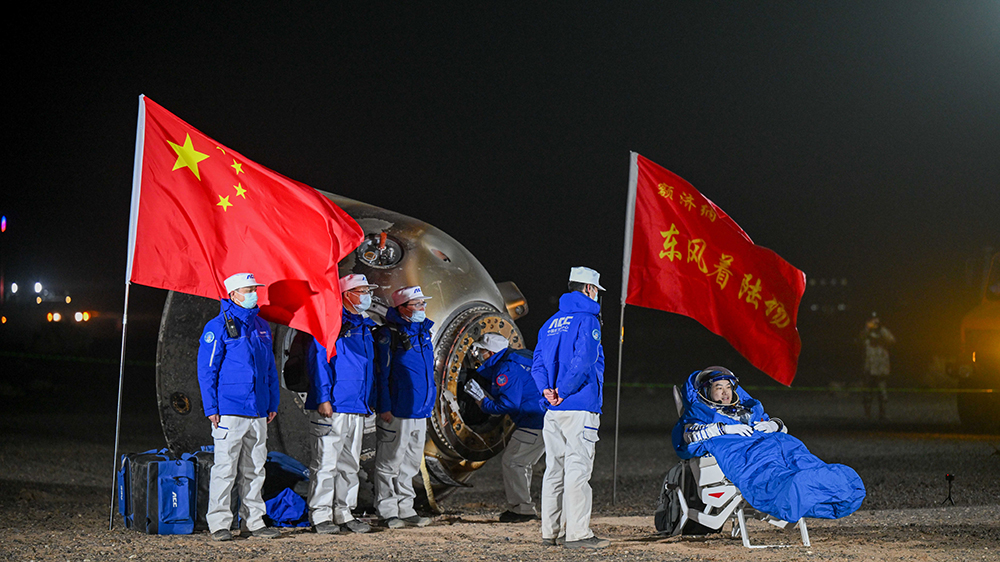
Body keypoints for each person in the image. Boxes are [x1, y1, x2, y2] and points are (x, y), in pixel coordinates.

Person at [672, 366, 865, 522]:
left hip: (777, 446)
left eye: (729, 387)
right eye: (719, 387)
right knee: (776, 477)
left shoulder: (746, 410)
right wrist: (724, 429)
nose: (725, 393)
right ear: (707, 390)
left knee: (798, 457)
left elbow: (779, 428)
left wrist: (775, 424)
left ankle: (829, 483)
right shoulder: (702, 416)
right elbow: (688, 439)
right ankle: (797, 487)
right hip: (746, 455)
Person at [197, 272, 281, 541]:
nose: (254, 294)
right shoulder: (217, 326)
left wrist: (272, 402)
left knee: (255, 468)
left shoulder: (262, 326)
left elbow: (269, 369)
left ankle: (253, 521)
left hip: (258, 410)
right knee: (225, 468)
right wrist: (211, 407)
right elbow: (207, 370)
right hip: (230, 411)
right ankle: (220, 523)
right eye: (249, 290)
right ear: (233, 295)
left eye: (255, 289)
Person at [530, 266, 608, 549]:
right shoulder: (588, 320)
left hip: (553, 409)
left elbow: (537, 364)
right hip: (578, 404)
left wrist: (547, 392)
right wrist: (563, 391)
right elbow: (584, 360)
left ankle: (549, 532)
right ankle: (577, 534)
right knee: (578, 469)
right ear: (589, 289)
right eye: (597, 290)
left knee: (554, 469)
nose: (598, 296)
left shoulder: (550, 323)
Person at [304, 274, 379, 535]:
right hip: (333, 406)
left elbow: (368, 370)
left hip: (357, 406)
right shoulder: (329, 324)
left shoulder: (364, 327)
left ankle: (344, 512)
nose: (367, 295)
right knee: (325, 463)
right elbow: (319, 362)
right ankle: (320, 515)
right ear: (346, 294)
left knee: (349, 465)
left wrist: (369, 401)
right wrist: (323, 397)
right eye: (362, 290)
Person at [464, 333, 546, 523]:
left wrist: (482, 402)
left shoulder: (506, 369)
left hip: (533, 421)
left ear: (491, 352)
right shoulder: (521, 355)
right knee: (523, 462)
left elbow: (509, 405)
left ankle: (522, 510)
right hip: (546, 416)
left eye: (481, 351)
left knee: (514, 462)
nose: (478, 355)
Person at [373, 285, 436, 529]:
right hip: (397, 410)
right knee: (390, 462)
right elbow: (382, 373)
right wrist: (385, 406)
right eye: (417, 305)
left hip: (419, 410)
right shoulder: (389, 335)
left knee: (410, 462)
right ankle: (388, 511)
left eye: (423, 304)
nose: (423, 308)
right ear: (402, 308)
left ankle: (406, 508)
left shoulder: (423, 333)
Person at [860, 313, 895, 420]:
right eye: (872, 321)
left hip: (881, 368)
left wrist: (881, 329)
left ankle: (883, 414)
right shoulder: (866, 334)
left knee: (882, 393)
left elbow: (892, 340)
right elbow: (860, 339)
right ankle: (867, 415)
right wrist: (868, 328)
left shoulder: (883, 333)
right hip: (869, 368)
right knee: (867, 393)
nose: (875, 323)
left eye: (876, 321)